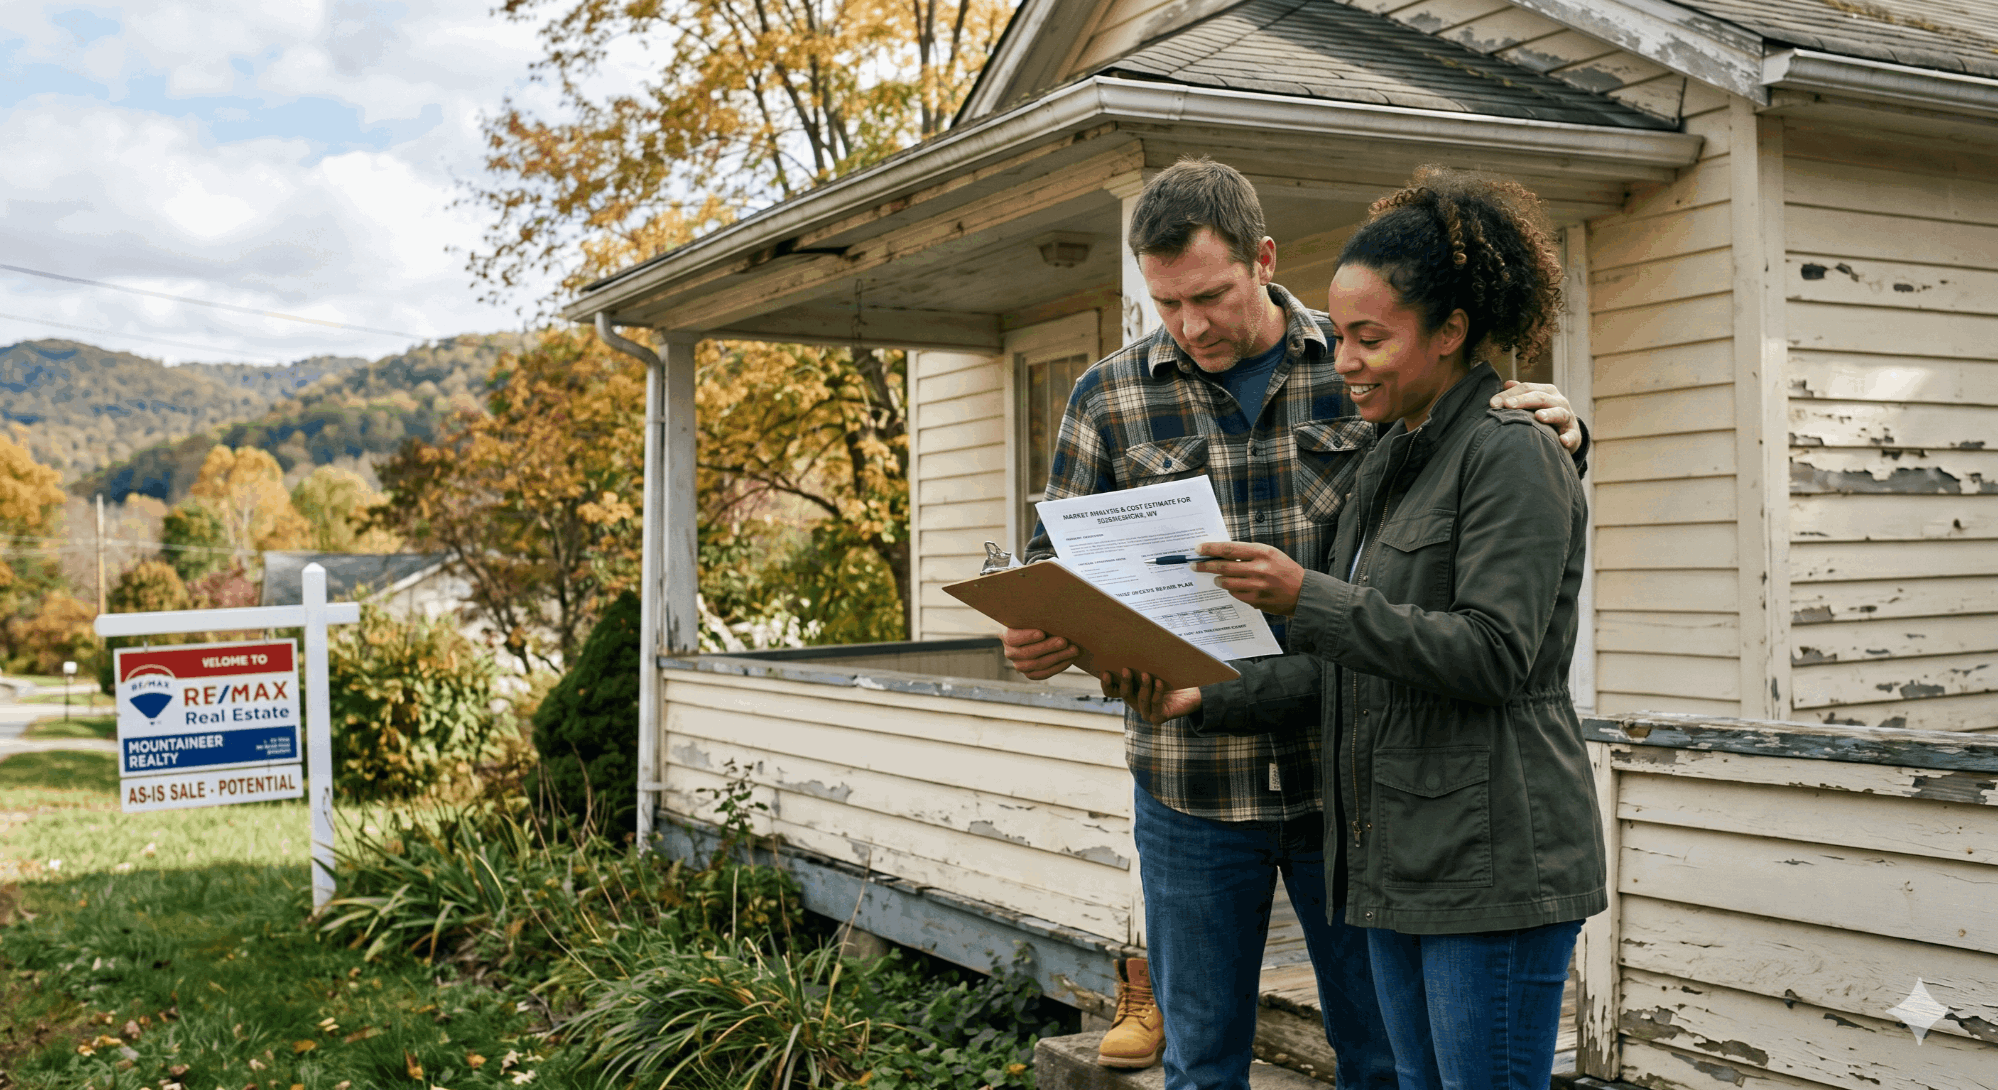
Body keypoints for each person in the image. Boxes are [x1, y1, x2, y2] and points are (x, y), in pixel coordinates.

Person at [1003, 157, 1588, 1090]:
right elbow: (1054, 568)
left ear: (1264, 259)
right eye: (1166, 305)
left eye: (1211, 296)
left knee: (1384, 1064)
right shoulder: (1106, 398)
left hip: (1361, 793)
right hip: (1196, 780)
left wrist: (1560, 431)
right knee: (1202, 1066)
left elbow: (1485, 537)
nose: (1192, 327)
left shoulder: (1364, 371)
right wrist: (1050, 633)